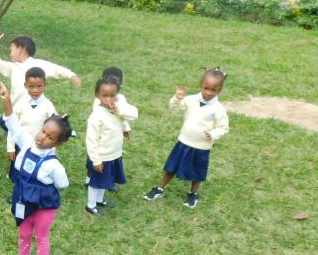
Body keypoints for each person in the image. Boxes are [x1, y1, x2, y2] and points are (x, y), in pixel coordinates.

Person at [0, 83, 71, 255]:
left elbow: (63, 184)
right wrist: (7, 102)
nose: (42, 137)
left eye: (50, 137)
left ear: (58, 144)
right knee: (23, 232)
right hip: (23, 199)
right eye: (43, 131)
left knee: (41, 236)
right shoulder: (28, 143)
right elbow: (12, 123)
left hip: (43, 206)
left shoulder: (53, 165)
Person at [143, 68, 229, 209]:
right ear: (201, 85)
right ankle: (159, 188)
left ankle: (193, 194)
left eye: (213, 90)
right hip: (184, 142)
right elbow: (175, 108)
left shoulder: (218, 109)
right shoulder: (191, 100)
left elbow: (223, 127)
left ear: (219, 91)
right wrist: (177, 99)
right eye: (205, 88)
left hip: (201, 147)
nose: (208, 92)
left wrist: (213, 134)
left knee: (197, 172)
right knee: (172, 167)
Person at [85, 77, 138, 217]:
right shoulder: (96, 116)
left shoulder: (117, 109)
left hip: (113, 153)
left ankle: (99, 200)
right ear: (97, 96)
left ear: (117, 96)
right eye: (105, 95)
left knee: (105, 180)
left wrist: (119, 110)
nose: (109, 99)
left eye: (112, 95)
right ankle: (90, 205)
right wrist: (96, 160)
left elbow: (134, 115)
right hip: (101, 156)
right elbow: (91, 140)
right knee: (96, 182)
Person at [0, 30, 81, 107]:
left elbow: (56, 69)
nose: (10, 54)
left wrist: (71, 75)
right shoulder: (13, 68)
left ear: (20, 49)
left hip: (34, 108)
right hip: (16, 109)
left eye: (11, 50)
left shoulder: (38, 64)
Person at [6, 67, 60, 181]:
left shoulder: (48, 105)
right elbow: (12, 126)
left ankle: (32, 179)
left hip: (40, 143)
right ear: (25, 85)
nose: (35, 90)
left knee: (34, 165)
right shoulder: (20, 104)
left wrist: (62, 121)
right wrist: (10, 147)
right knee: (18, 164)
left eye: (39, 86)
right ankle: (17, 182)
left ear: (45, 84)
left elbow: (56, 122)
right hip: (20, 142)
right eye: (31, 86)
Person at [86, 68, 132, 192]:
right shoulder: (99, 104)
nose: (109, 97)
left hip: (111, 141)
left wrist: (125, 127)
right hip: (101, 140)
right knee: (93, 162)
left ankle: (106, 183)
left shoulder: (120, 99)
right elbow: (95, 131)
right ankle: (88, 180)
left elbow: (123, 115)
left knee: (108, 167)